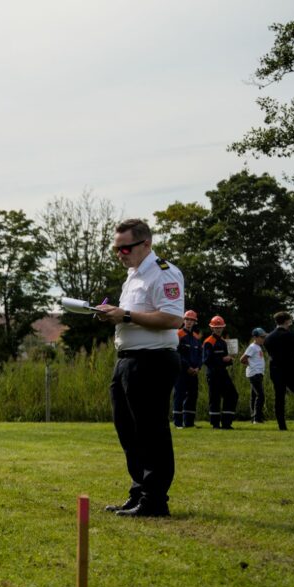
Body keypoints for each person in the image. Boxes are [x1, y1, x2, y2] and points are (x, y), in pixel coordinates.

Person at [95, 218, 184, 518]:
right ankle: (139, 492)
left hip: (153, 360)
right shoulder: (133, 276)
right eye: (116, 249)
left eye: (125, 248)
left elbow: (173, 319)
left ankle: (155, 499)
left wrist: (126, 315)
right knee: (128, 430)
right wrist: (112, 315)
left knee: (151, 429)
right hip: (128, 359)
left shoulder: (164, 273)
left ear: (146, 244)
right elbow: (129, 315)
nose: (120, 254)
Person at [263, 311, 294, 431]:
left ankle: (282, 426)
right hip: (291, 369)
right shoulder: (290, 335)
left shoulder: (268, 337)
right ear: (287, 321)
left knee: (279, 398)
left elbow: (269, 351)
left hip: (275, 370)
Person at [202, 316, 238, 429]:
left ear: (223, 328)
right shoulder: (208, 342)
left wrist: (229, 360)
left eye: (220, 327)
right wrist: (222, 359)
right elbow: (206, 360)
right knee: (215, 398)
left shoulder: (223, 342)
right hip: (213, 374)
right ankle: (215, 424)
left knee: (232, 395)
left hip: (223, 373)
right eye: (216, 327)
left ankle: (227, 423)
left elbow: (225, 359)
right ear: (211, 328)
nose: (218, 329)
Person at [173, 309, 202, 428]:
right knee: (179, 395)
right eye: (187, 319)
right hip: (181, 371)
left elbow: (201, 354)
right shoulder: (178, 334)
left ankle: (189, 422)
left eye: (192, 320)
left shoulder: (196, 337)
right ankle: (178, 423)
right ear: (183, 320)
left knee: (192, 395)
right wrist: (188, 367)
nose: (189, 322)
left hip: (194, 372)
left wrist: (198, 368)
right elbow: (177, 353)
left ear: (195, 322)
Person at [239, 327, 267, 424]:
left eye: (264, 337)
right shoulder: (252, 347)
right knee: (261, 396)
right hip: (254, 374)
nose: (263, 339)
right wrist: (251, 365)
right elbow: (242, 359)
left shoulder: (258, 347)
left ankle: (253, 417)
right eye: (261, 337)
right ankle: (257, 418)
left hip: (258, 374)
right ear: (255, 337)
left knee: (254, 396)